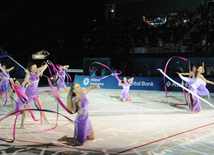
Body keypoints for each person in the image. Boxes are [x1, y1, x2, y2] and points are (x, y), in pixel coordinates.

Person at [22, 63, 50, 128]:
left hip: (35, 94)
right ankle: (22, 124)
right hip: (29, 95)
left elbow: (45, 66)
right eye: (34, 68)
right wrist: (27, 73)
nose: (36, 68)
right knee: (26, 110)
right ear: (31, 69)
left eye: (36, 67)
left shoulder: (36, 72)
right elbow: (25, 81)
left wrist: (42, 70)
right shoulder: (29, 75)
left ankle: (45, 118)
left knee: (41, 107)